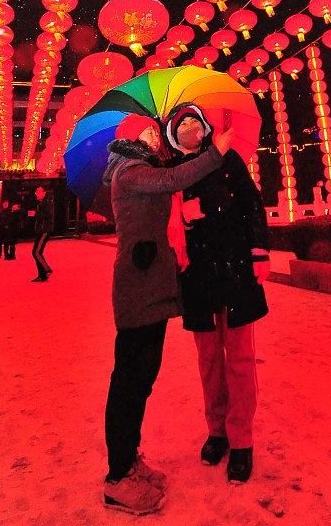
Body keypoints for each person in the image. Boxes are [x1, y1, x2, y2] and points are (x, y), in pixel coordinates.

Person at [102, 112, 235, 515]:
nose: (156, 137)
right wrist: (215, 153)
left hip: (151, 289)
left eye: (155, 131)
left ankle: (129, 460)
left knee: (141, 381)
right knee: (129, 384)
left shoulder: (142, 168)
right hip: (137, 292)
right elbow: (172, 180)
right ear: (130, 138)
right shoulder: (129, 171)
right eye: (147, 132)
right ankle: (117, 478)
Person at [165, 104, 270, 485]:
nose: (191, 127)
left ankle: (241, 439)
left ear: (206, 127)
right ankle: (217, 430)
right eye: (182, 124)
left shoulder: (229, 159)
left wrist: (259, 250)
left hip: (235, 269)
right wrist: (182, 215)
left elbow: (252, 204)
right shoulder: (173, 173)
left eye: (195, 120)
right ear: (173, 135)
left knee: (239, 358)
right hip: (197, 277)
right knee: (208, 360)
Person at [31, 185, 54, 282]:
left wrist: (35, 214)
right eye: (36, 192)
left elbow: (48, 214)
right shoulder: (41, 203)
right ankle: (42, 275)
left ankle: (47, 270)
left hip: (45, 230)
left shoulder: (47, 202)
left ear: (44, 193)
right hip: (40, 230)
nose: (36, 193)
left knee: (36, 252)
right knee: (36, 252)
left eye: (38, 191)